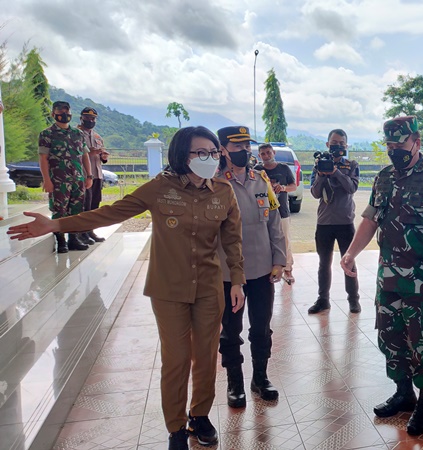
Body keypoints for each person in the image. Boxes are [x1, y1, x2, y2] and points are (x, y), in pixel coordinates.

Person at [8, 126, 246, 450]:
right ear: (182, 155)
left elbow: (232, 240)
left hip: (208, 287)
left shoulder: (223, 192)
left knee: (205, 357)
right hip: (168, 289)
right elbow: (110, 212)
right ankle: (176, 428)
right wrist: (56, 224)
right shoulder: (160, 188)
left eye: (214, 152)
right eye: (201, 152)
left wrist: (237, 280)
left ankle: (199, 416)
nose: (210, 158)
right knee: (176, 360)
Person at [340, 116, 423, 436]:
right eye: (390, 144)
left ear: (416, 142)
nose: (394, 150)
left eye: (400, 143)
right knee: (391, 338)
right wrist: (351, 252)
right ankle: (404, 393)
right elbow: (370, 220)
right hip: (389, 278)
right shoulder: (384, 178)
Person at [216, 127, 286, 408]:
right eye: (237, 146)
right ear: (223, 150)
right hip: (227, 273)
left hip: (262, 268)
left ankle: (260, 377)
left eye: (247, 146)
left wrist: (279, 260)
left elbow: (274, 221)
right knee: (231, 330)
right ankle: (234, 382)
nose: (244, 151)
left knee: (261, 327)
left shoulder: (261, 181)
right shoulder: (214, 183)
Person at [308, 128, 361, 314]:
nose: (337, 146)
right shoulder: (319, 165)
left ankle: (353, 300)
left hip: (345, 222)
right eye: (334, 143)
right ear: (327, 144)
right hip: (324, 223)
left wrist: (336, 172)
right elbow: (315, 193)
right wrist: (321, 175)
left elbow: (352, 188)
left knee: (349, 262)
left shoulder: (351, 165)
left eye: (341, 144)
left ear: (346, 146)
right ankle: (323, 300)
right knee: (324, 264)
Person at [38, 101, 94, 253]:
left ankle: (73, 239)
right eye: (60, 112)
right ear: (53, 114)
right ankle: (61, 241)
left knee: (76, 210)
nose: (64, 114)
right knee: (59, 210)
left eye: (66, 112)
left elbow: (85, 156)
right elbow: (43, 158)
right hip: (58, 180)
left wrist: (89, 176)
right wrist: (46, 180)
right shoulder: (47, 134)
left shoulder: (78, 134)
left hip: (77, 180)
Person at [256, 142, 297, 284]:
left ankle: (288, 269)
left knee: (285, 240)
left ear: (273, 152)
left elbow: (294, 186)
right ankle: (268, 269)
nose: (266, 156)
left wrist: (283, 188)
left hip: (282, 212)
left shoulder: (284, 168)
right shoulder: (257, 170)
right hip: (263, 212)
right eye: (263, 154)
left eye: (268, 152)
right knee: (265, 241)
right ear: (259, 156)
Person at [77, 107, 110, 244]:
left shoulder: (97, 137)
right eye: (87, 118)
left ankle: (90, 231)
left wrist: (103, 156)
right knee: (85, 205)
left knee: (94, 205)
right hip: (84, 175)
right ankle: (82, 233)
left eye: (93, 118)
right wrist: (90, 152)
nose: (90, 121)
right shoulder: (76, 134)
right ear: (81, 118)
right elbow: (75, 154)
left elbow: (101, 157)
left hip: (97, 175)